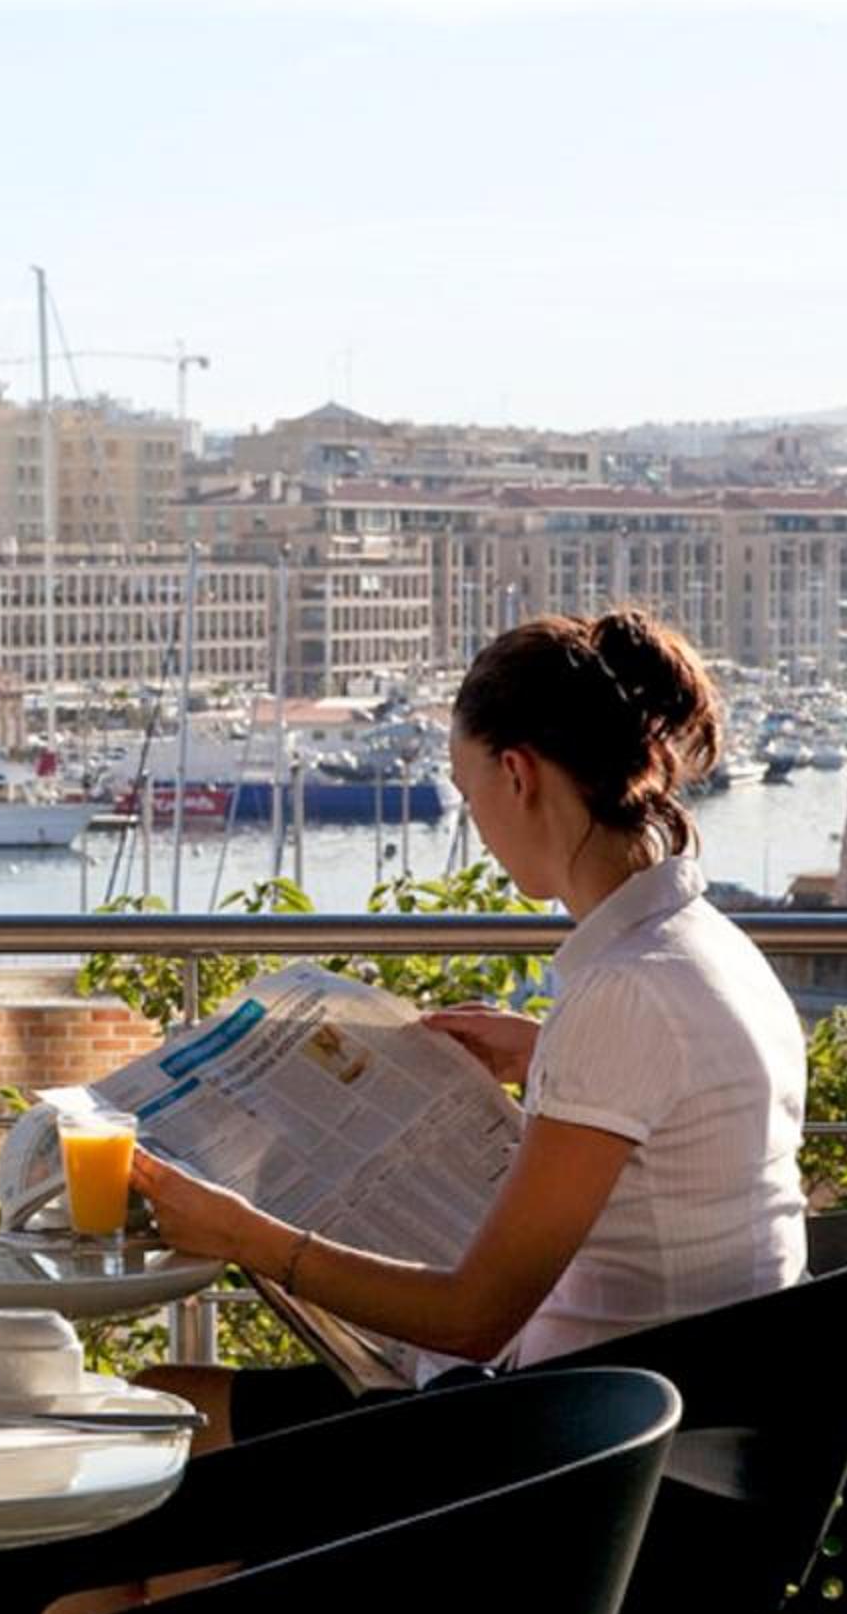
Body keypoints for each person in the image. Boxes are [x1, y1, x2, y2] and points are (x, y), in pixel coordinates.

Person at [135, 607, 808, 1447]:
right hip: (673, 1413)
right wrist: (546, 1052)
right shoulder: (701, 946)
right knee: (175, 1431)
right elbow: (672, 1103)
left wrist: (244, 1234)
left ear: (517, 774)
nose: (474, 824)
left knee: (156, 1416)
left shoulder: (622, 994)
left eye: (467, 791)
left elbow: (472, 1318)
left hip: (576, 1446)